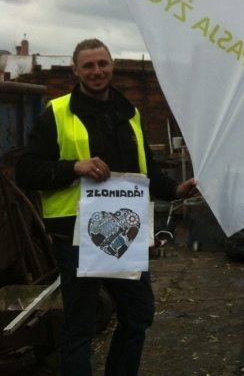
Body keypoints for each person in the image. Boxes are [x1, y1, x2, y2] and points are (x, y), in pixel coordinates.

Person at [16, 39, 199, 375]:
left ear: (112, 66)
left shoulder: (129, 114)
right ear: (76, 70)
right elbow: (26, 170)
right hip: (75, 234)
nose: (97, 71)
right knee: (80, 324)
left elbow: (147, 170)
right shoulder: (56, 114)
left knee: (138, 314)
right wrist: (74, 167)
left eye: (102, 64)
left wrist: (174, 188)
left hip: (124, 232)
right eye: (88, 66)